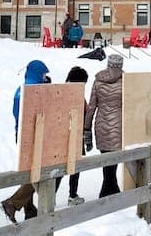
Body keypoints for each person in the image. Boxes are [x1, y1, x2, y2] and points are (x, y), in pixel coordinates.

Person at [1, 60, 51, 223]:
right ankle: (12, 203)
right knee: (38, 173)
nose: (45, 77)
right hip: (34, 135)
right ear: (38, 74)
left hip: (20, 133)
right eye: (44, 75)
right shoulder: (35, 91)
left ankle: (29, 210)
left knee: (28, 170)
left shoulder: (20, 90)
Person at [84, 54, 125, 197]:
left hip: (101, 125)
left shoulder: (98, 81)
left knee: (107, 163)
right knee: (112, 165)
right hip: (119, 127)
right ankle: (108, 195)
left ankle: (110, 193)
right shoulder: (126, 81)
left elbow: (91, 107)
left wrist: (86, 130)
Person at [58, 66, 89, 205]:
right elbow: (84, 112)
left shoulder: (61, 90)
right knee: (75, 167)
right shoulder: (75, 93)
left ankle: (52, 195)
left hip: (62, 136)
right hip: (74, 135)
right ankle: (72, 195)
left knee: (60, 168)